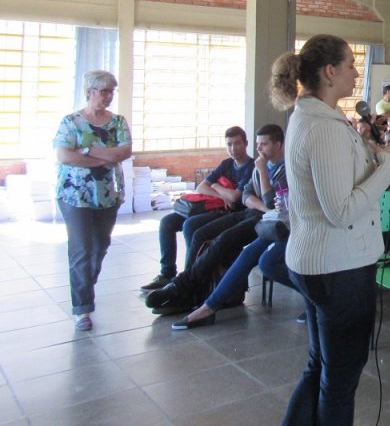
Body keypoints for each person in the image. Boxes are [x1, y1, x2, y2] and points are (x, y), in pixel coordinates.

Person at [270, 34, 390, 426]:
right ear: (329, 72)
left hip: (321, 260)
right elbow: (341, 210)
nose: (356, 73)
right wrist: (387, 167)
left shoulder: (313, 116)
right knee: (340, 379)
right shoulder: (322, 126)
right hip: (336, 266)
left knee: (321, 365)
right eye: (350, 65)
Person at [148, 124, 287, 317]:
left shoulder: (283, 169)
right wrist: (263, 206)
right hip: (253, 212)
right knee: (200, 233)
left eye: (263, 144)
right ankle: (186, 284)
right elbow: (247, 193)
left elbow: (271, 202)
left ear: (278, 145)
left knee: (223, 240)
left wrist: (263, 179)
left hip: (265, 223)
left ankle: (185, 289)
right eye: (258, 144)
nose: (259, 150)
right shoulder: (257, 166)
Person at [53, 70, 132, 331]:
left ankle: (86, 284)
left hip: (107, 195)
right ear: (89, 92)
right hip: (75, 196)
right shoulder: (71, 122)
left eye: (112, 91)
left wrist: (87, 151)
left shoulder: (118, 122)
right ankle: (82, 308)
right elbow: (65, 155)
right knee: (81, 249)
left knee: (100, 246)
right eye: (104, 91)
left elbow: (124, 151)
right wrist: (104, 157)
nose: (109, 96)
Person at [141, 127, 254, 293]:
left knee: (191, 225)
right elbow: (201, 186)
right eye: (229, 144)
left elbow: (236, 197)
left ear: (245, 144)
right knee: (167, 222)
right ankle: (167, 272)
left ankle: (188, 277)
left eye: (237, 144)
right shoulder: (226, 164)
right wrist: (221, 193)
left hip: (231, 212)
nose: (233, 149)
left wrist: (215, 186)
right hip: (213, 205)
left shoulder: (251, 167)